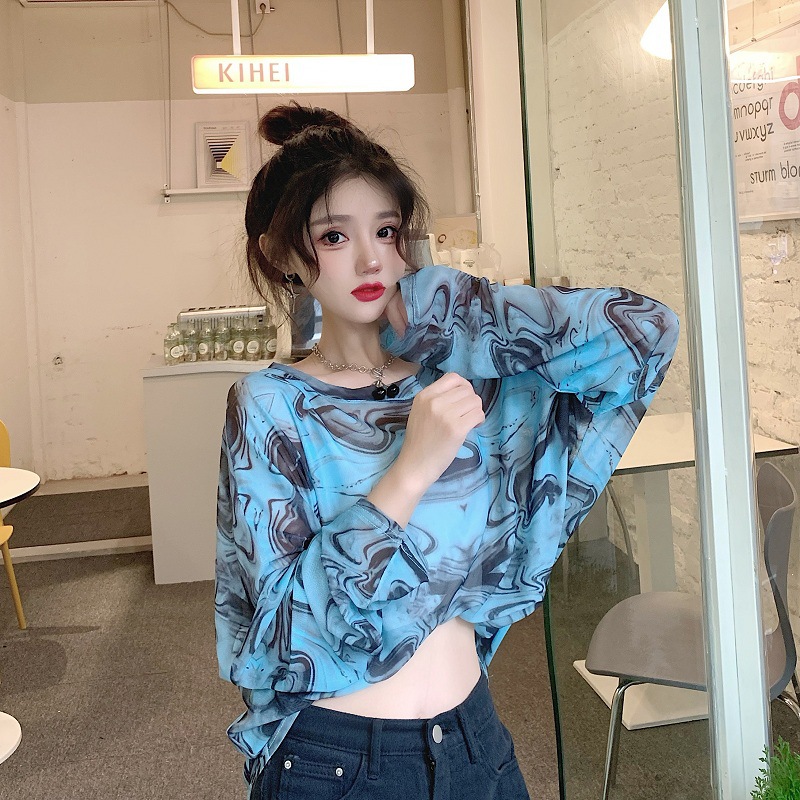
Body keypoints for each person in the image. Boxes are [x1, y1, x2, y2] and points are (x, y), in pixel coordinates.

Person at [215, 103, 680, 800]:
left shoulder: (469, 377)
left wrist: (451, 312)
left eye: (387, 231)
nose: (371, 259)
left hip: (475, 744)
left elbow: (646, 334)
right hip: (336, 763)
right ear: (281, 255)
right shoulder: (270, 405)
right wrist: (409, 472)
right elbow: (286, 634)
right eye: (335, 236)